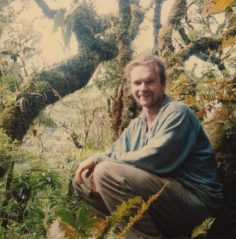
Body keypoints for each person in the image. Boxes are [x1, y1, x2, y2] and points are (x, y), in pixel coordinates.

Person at [72, 53, 223, 239]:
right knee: (82, 180)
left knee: (105, 170)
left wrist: (98, 160)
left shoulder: (177, 113)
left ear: (163, 84)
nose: (143, 88)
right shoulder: (137, 125)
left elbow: (157, 160)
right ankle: (136, 232)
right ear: (131, 87)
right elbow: (114, 153)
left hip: (196, 203)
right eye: (137, 83)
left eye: (150, 81)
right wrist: (95, 161)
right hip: (163, 199)